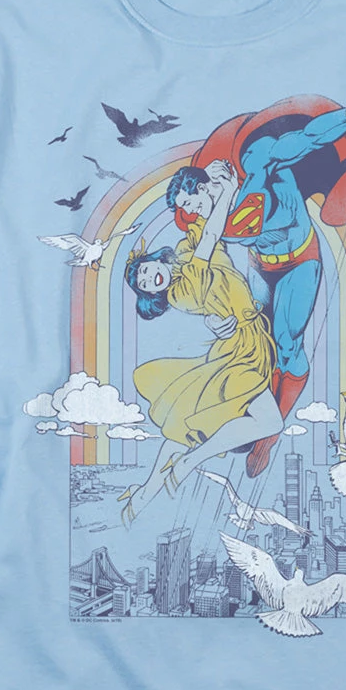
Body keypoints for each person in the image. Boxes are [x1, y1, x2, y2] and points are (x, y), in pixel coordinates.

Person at [167, 95, 346, 477]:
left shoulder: (255, 163)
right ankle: (248, 413)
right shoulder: (207, 224)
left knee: (287, 343)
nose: (190, 213)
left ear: (204, 186)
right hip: (260, 266)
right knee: (252, 338)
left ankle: (269, 434)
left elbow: (306, 139)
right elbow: (206, 275)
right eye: (186, 210)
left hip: (299, 262)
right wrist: (213, 317)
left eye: (190, 203)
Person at [119, 161, 282, 525]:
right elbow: (210, 237)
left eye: (146, 270)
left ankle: (143, 496)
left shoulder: (184, 249)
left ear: (153, 259)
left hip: (246, 341)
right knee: (268, 421)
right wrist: (226, 190)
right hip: (239, 350)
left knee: (187, 427)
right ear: (152, 295)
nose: (149, 278)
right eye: (144, 284)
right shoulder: (181, 288)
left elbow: (208, 229)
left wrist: (213, 186)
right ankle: (190, 463)